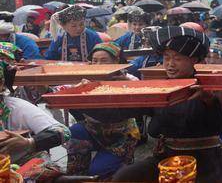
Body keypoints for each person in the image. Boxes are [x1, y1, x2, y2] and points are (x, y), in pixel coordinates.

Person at [112, 27, 222, 182]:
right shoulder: (163, 87)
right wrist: (122, 89)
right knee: (124, 177)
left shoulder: (207, 86)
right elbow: (136, 110)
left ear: (194, 60)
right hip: (166, 156)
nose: (170, 64)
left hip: (204, 162)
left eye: (177, 58)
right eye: (166, 58)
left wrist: (209, 98)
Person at [65, 42, 140, 178]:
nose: (99, 65)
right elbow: (68, 101)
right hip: (93, 130)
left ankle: (121, 167)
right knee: (75, 131)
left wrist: (126, 87)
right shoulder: (85, 81)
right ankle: (77, 173)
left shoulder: (129, 81)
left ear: (116, 61)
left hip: (121, 135)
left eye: (104, 60)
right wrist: (80, 92)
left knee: (98, 171)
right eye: (95, 61)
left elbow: (138, 103)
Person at [0, 43, 71, 181]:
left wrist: (29, 142)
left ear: (1, 84)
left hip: (19, 164)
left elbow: (63, 132)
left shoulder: (16, 107)